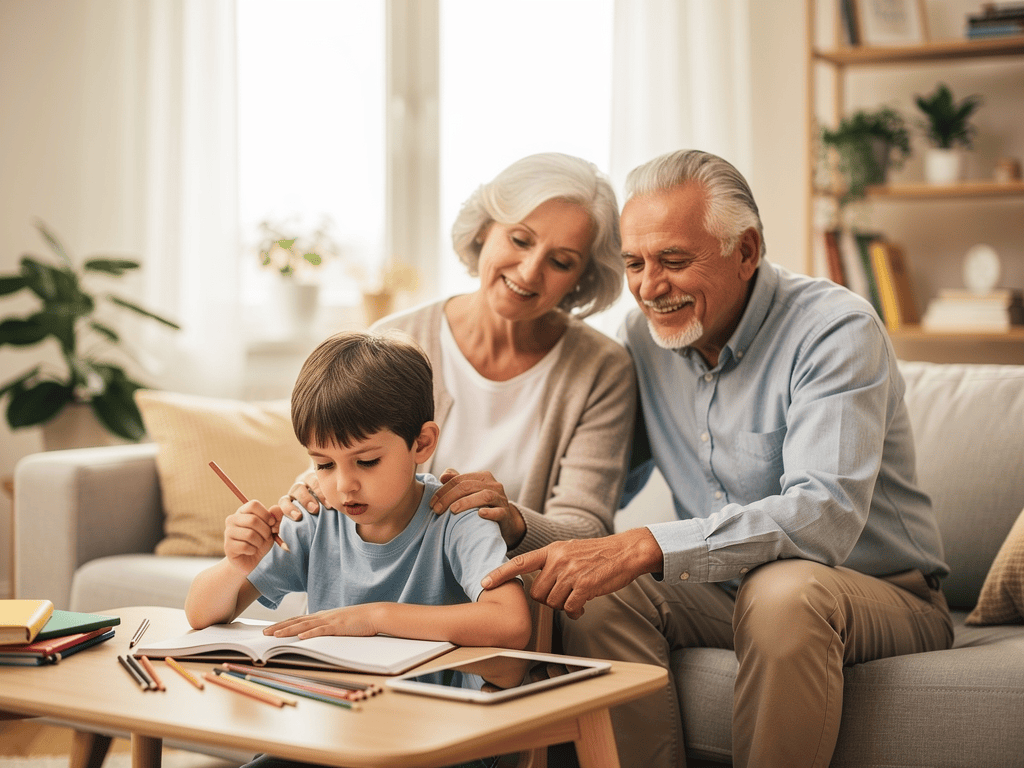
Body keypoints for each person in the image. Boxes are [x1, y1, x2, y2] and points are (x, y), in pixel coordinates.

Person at [482, 149, 954, 768]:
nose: (650, 287)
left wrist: (648, 545)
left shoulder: (835, 329)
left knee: (782, 591)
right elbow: (593, 490)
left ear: (747, 250)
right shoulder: (642, 342)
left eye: (674, 261)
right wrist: (494, 513)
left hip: (877, 591)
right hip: (720, 588)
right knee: (593, 590)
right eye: (635, 263)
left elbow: (823, 517)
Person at [282, 152, 637, 558]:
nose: (529, 271)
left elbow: (587, 532)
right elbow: (346, 468)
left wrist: (512, 520)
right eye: (520, 240)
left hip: (516, 599)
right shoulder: (396, 339)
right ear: (485, 229)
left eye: (560, 261)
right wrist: (314, 488)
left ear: (582, 279)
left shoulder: (602, 369)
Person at [185, 329, 532, 654]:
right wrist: (236, 565)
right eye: (323, 465)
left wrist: (375, 618)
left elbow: (511, 622)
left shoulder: (457, 517)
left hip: (432, 711)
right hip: (336, 702)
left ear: (422, 443)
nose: (342, 485)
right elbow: (200, 615)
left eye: (366, 461)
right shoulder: (316, 519)